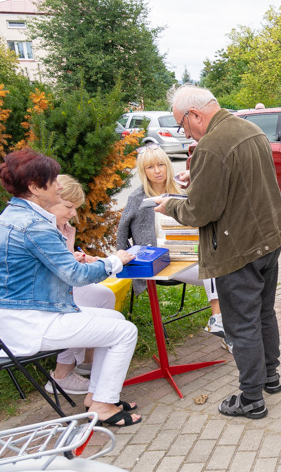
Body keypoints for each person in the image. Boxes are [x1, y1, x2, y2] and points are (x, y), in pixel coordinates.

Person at [154, 85, 281, 420]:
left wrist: (170, 205)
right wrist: (197, 177)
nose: (184, 132)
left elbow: (201, 212)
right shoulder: (249, 129)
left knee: (241, 324)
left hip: (238, 246)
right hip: (268, 238)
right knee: (263, 314)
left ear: (196, 115)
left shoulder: (212, 145)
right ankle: (270, 377)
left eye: (182, 125)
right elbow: (236, 180)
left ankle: (251, 399)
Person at [0, 149, 141, 426]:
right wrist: (114, 261)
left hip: (20, 317)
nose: (59, 185)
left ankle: (97, 396)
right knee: (125, 331)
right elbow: (75, 275)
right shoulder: (34, 225)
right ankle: (102, 405)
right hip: (30, 323)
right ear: (34, 187)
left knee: (115, 320)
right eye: (53, 180)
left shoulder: (12, 214)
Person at [117, 144, 228, 349]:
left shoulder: (183, 191)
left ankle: (221, 323)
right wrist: (127, 260)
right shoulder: (138, 198)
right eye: (150, 167)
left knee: (223, 272)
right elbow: (122, 231)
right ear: (143, 171)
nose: (157, 171)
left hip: (186, 255)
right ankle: (221, 323)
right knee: (215, 272)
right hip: (159, 261)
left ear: (168, 166)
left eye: (160, 165)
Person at [45, 175, 117, 393]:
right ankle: (61, 375)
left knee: (104, 296)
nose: (73, 213)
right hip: (49, 291)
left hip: (63, 283)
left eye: (75, 208)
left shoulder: (65, 227)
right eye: (68, 206)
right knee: (77, 308)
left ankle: (87, 359)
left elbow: (65, 263)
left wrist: (81, 258)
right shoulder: (43, 229)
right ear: (51, 201)